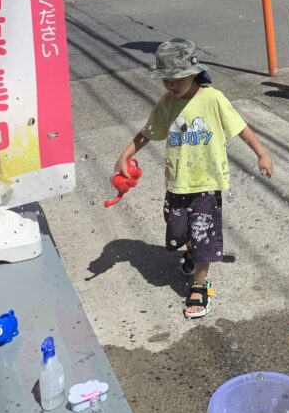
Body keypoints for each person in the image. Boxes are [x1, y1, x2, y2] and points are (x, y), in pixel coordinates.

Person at [114, 38, 273, 319]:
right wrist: (125, 155)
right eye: (166, 79)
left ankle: (200, 285)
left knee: (203, 235)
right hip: (178, 181)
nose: (171, 85)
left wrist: (262, 154)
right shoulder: (167, 103)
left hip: (207, 182)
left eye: (177, 79)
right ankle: (191, 251)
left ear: (193, 73)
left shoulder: (213, 99)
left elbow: (240, 128)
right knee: (178, 229)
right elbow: (148, 133)